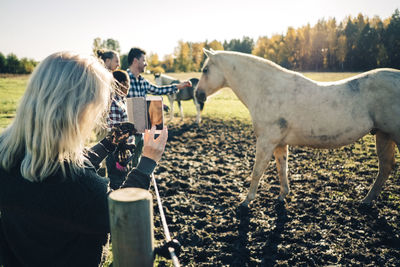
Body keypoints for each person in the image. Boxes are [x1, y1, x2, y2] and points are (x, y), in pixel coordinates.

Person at [0, 52, 168, 267]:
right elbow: (120, 217)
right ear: (78, 110)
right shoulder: (82, 188)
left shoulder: (7, 155)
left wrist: (107, 144)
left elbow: (63, 165)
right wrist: (148, 161)